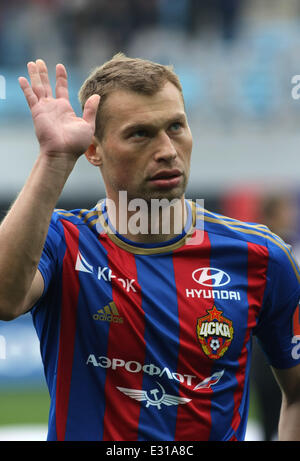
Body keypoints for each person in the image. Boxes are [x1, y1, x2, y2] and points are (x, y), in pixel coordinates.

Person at [0, 55, 300, 441]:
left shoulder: (261, 256)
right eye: (140, 133)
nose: (167, 150)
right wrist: (54, 158)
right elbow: (5, 300)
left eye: (175, 126)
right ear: (94, 150)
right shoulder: (62, 241)